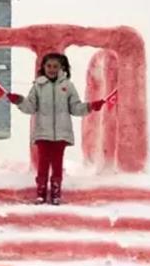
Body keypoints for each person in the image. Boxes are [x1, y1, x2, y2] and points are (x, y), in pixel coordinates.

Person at [7, 53, 106, 205]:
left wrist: (90, 106)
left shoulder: (67, 86)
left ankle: (55, 193)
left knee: (57, 165)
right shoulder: (38, 86)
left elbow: (75, 107)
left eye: (55, 66)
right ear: (43, 68)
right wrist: (19, 100)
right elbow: (30, 107)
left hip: (61, 134)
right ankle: (40, 193)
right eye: (48, 66)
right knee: (43, 165)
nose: (52, 69)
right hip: (42, 133)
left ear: (62, 68)